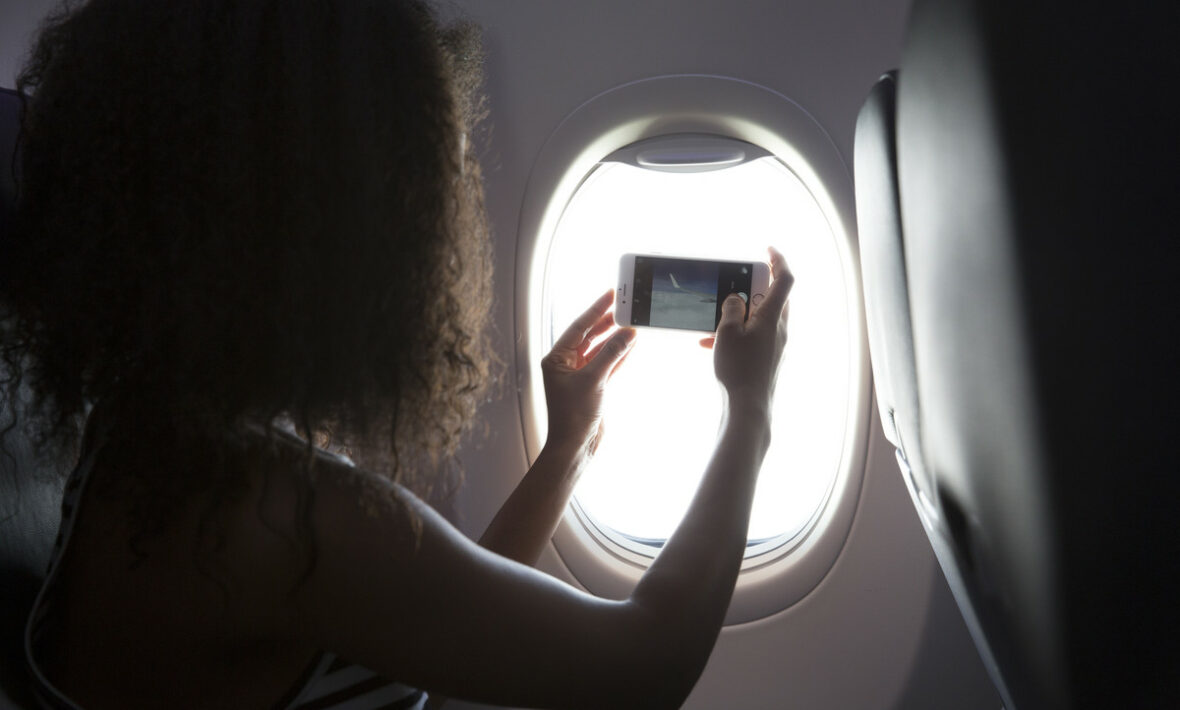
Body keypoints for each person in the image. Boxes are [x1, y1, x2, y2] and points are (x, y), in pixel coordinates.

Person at [0, 0, 794, 708]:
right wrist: (750, 412)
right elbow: (645, 664)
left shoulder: (141, 431)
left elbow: (428, 637)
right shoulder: (284, 516)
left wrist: (566, 451)